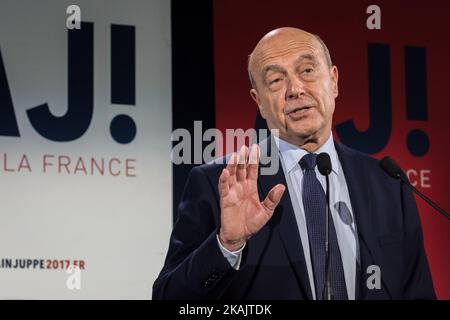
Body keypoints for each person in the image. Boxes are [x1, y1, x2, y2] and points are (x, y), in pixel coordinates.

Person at [152, 27, 436, 299]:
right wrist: (227, 245)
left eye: (308, 71)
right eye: (276, 80)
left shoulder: (387, 182)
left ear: (334, 81)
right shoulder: (219, 182)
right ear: (259, 102)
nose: (295, 89)